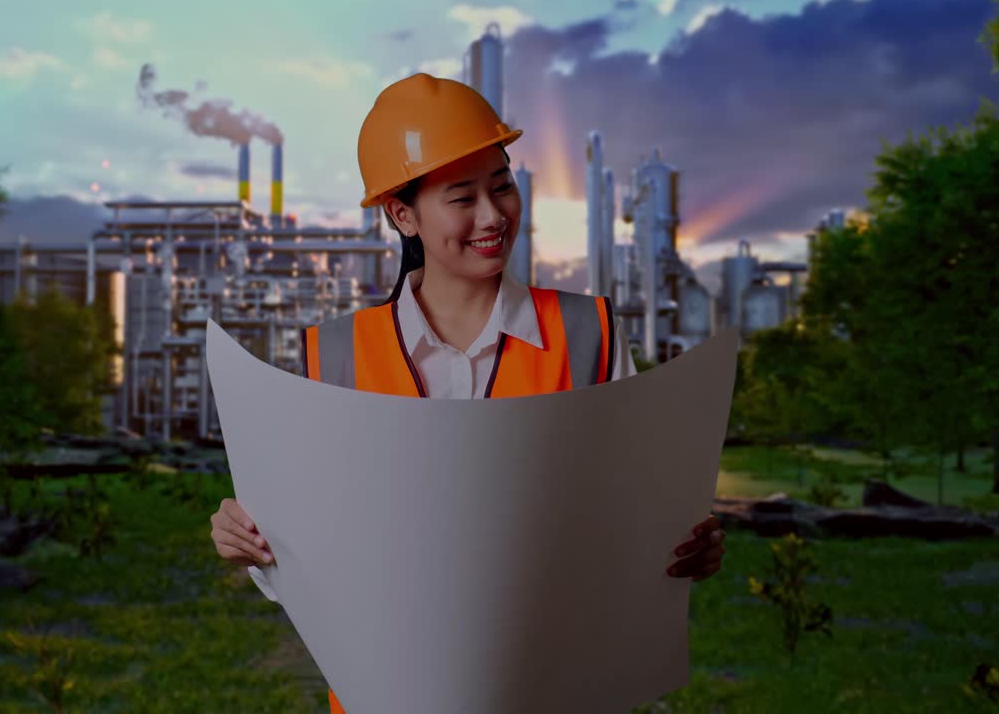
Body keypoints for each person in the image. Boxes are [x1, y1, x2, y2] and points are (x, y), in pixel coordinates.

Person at [209, 73, 726, 712]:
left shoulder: (585, 333)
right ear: (402, 215)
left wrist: (685, 545)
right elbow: (310, 556)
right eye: (462, 197)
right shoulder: (335, 357)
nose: (493, 215)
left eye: (503, 186)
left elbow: (632, 510)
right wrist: (253, 544)